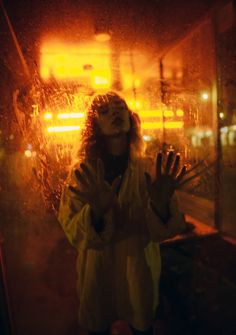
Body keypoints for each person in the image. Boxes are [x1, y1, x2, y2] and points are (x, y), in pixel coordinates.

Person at [58, 91, 188, 335]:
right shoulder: (82, 172)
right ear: (93, 124)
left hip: (139, 272)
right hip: (97, 274)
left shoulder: (148, 168)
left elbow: (165, 231)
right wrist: (95, 213)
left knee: (141, 323)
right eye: (105, 111)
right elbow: (72, 230)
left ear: (131, 118)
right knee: (98, 323)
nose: (115, 112)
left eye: (120, 107)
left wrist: (161, 207)